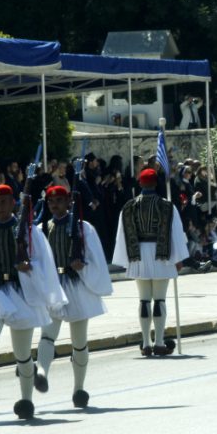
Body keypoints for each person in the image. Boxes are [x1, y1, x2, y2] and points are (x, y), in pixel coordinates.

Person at [0, 185, 66, 420]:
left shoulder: (30, 232)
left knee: (22, 355)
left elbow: (44, 262)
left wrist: (29, 267)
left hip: (22, 292)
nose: (0, 207)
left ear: (13, 204)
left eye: (4, 202)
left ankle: (26, 401)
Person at [34, 186, 113, 408]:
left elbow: (94, 256)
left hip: (75, 285)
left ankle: (79, 388)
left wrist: (82, 266)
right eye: (51, 202)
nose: (55, 205)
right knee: (48, 335)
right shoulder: (42, 230)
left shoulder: (83, 228)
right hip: (54, 287)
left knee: (79, 341)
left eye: (59, 200)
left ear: (69, 202)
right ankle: (41, 373)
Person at [111, 168, 189, 356]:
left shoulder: (129, 207)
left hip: (138, 255)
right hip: (161, 255)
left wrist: (126, 259)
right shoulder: (167, 206)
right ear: (156, 184)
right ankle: (160, 342)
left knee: (144, 299)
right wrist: (178, 258)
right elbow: (176, 233)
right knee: (159, 299)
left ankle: (146, 343)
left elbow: (121, 235)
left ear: (140, 183)